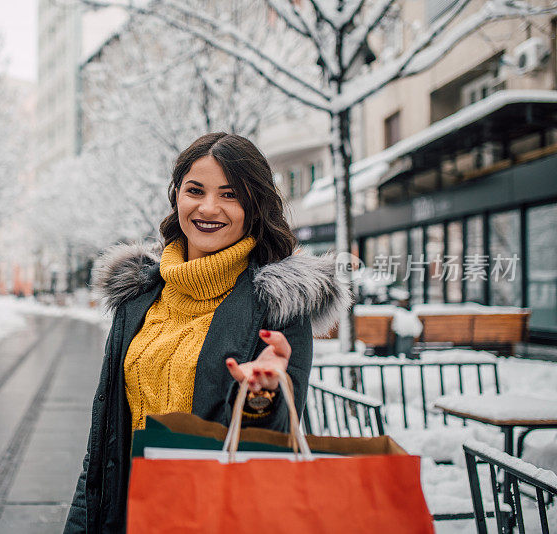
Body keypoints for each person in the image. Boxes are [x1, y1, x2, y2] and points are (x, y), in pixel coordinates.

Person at [64, 133, 352, 533]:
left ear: (254, 207)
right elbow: (103, 444)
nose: (208, 208)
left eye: (230, 195)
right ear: (176, 196)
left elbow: (274, 443)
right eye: (194, 190)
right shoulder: (137, 297)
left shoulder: (279, 303)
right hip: (126, 515)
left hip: (217, 517)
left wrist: (262, 394)